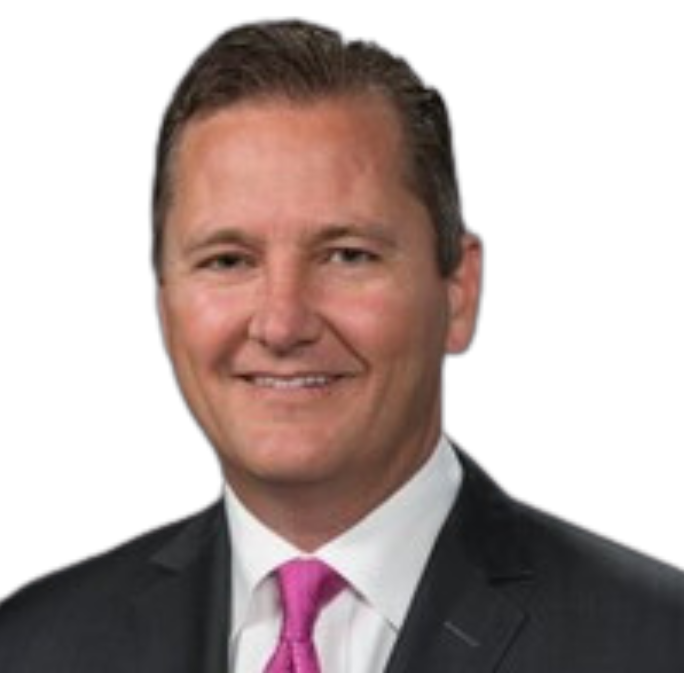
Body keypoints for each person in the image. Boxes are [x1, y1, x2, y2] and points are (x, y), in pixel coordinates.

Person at [1, 18, 682, 673]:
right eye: (228, 260)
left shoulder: (659, 640)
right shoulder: (33, 647)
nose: (281, 323)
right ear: (165, 310)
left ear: (458, 292)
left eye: (347, 255)